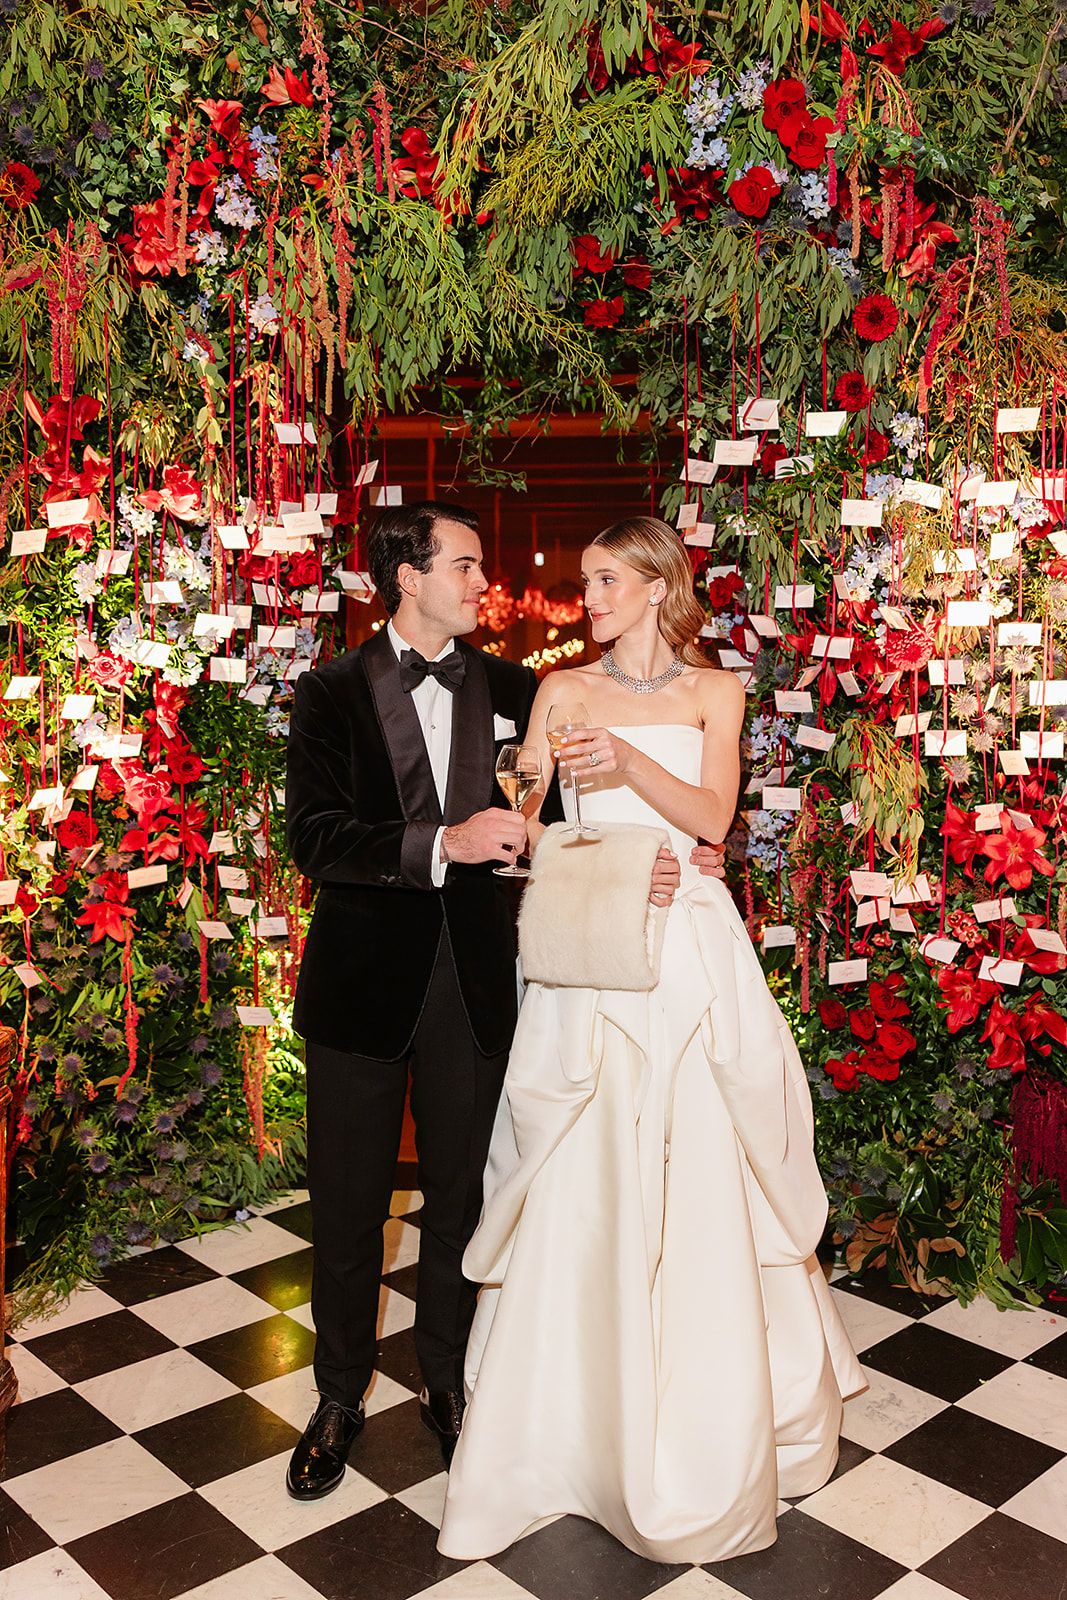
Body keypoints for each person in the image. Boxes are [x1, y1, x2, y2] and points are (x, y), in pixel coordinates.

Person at [438, 516, 864, 1565]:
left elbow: (712, 820)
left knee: (702, 1152)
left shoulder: (714, 691)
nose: (585, 598)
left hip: (688, 946)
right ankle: (568, 1419)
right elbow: (526, 823)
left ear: (655, 585)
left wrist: (627, 764)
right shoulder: (560, 689)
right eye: (585, 581)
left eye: (603, 581)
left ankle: (707, 1411)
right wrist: (593, 851)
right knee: (581, 1160)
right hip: (592, 937)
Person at [283, 500, 688, 1498]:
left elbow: (570, 822)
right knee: (347, 1207)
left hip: (479, 986)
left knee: (461, 1199)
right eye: (463, 565)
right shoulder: (328, 691)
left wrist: (650, 864)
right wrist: (441, 844)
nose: (481, 582)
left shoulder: (517, 688)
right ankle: (337, 1396)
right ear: (408, 577)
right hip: (359, 990)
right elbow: (315, 838)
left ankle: (447, 1380)